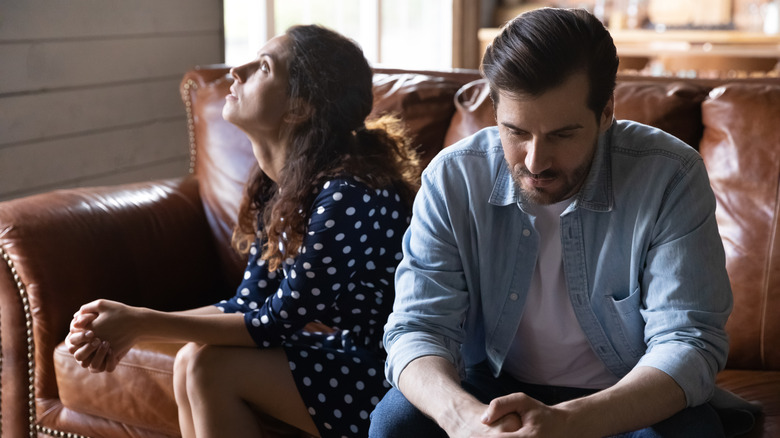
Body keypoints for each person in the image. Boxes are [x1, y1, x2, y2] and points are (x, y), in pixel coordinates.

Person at [370, 8, 737, 438]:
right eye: (516, 132)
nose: (535, 162)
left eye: (562, 135)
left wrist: (569, 423)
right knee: (395, 423)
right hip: (493, 388)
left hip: (626, 393)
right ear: (495, 111)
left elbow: (688, 343)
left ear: (605, 114)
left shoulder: (669, 175)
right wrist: (463, 420)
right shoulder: (453, 178)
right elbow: (417, 328)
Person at [65, 24, 421, 438]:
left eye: (264, 67)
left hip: (399, 379)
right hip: (354, 355)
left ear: (299, 107)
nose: (237, 70)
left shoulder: (348, 194)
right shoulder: (284, 185)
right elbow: (247, 301)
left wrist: (140, 323)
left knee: (208, 366)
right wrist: (124, 329)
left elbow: (275, 322)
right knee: (191, 358)